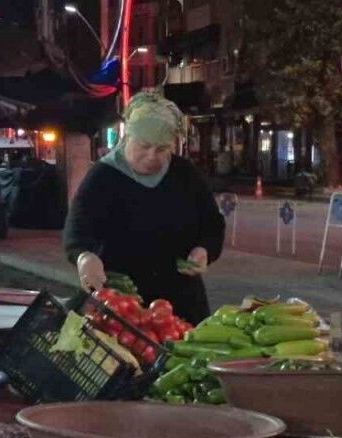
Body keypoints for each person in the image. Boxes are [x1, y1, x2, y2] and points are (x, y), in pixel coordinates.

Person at [64, 91, 224, 324]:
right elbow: (77, 231)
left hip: (182, 302)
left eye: (162, 149)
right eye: (144, 146)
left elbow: (212, 224)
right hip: (122, 302)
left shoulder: (185, 174)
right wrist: (84, 257)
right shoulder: (102, 176)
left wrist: (205, 250)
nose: (151, 156)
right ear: (127, 137)